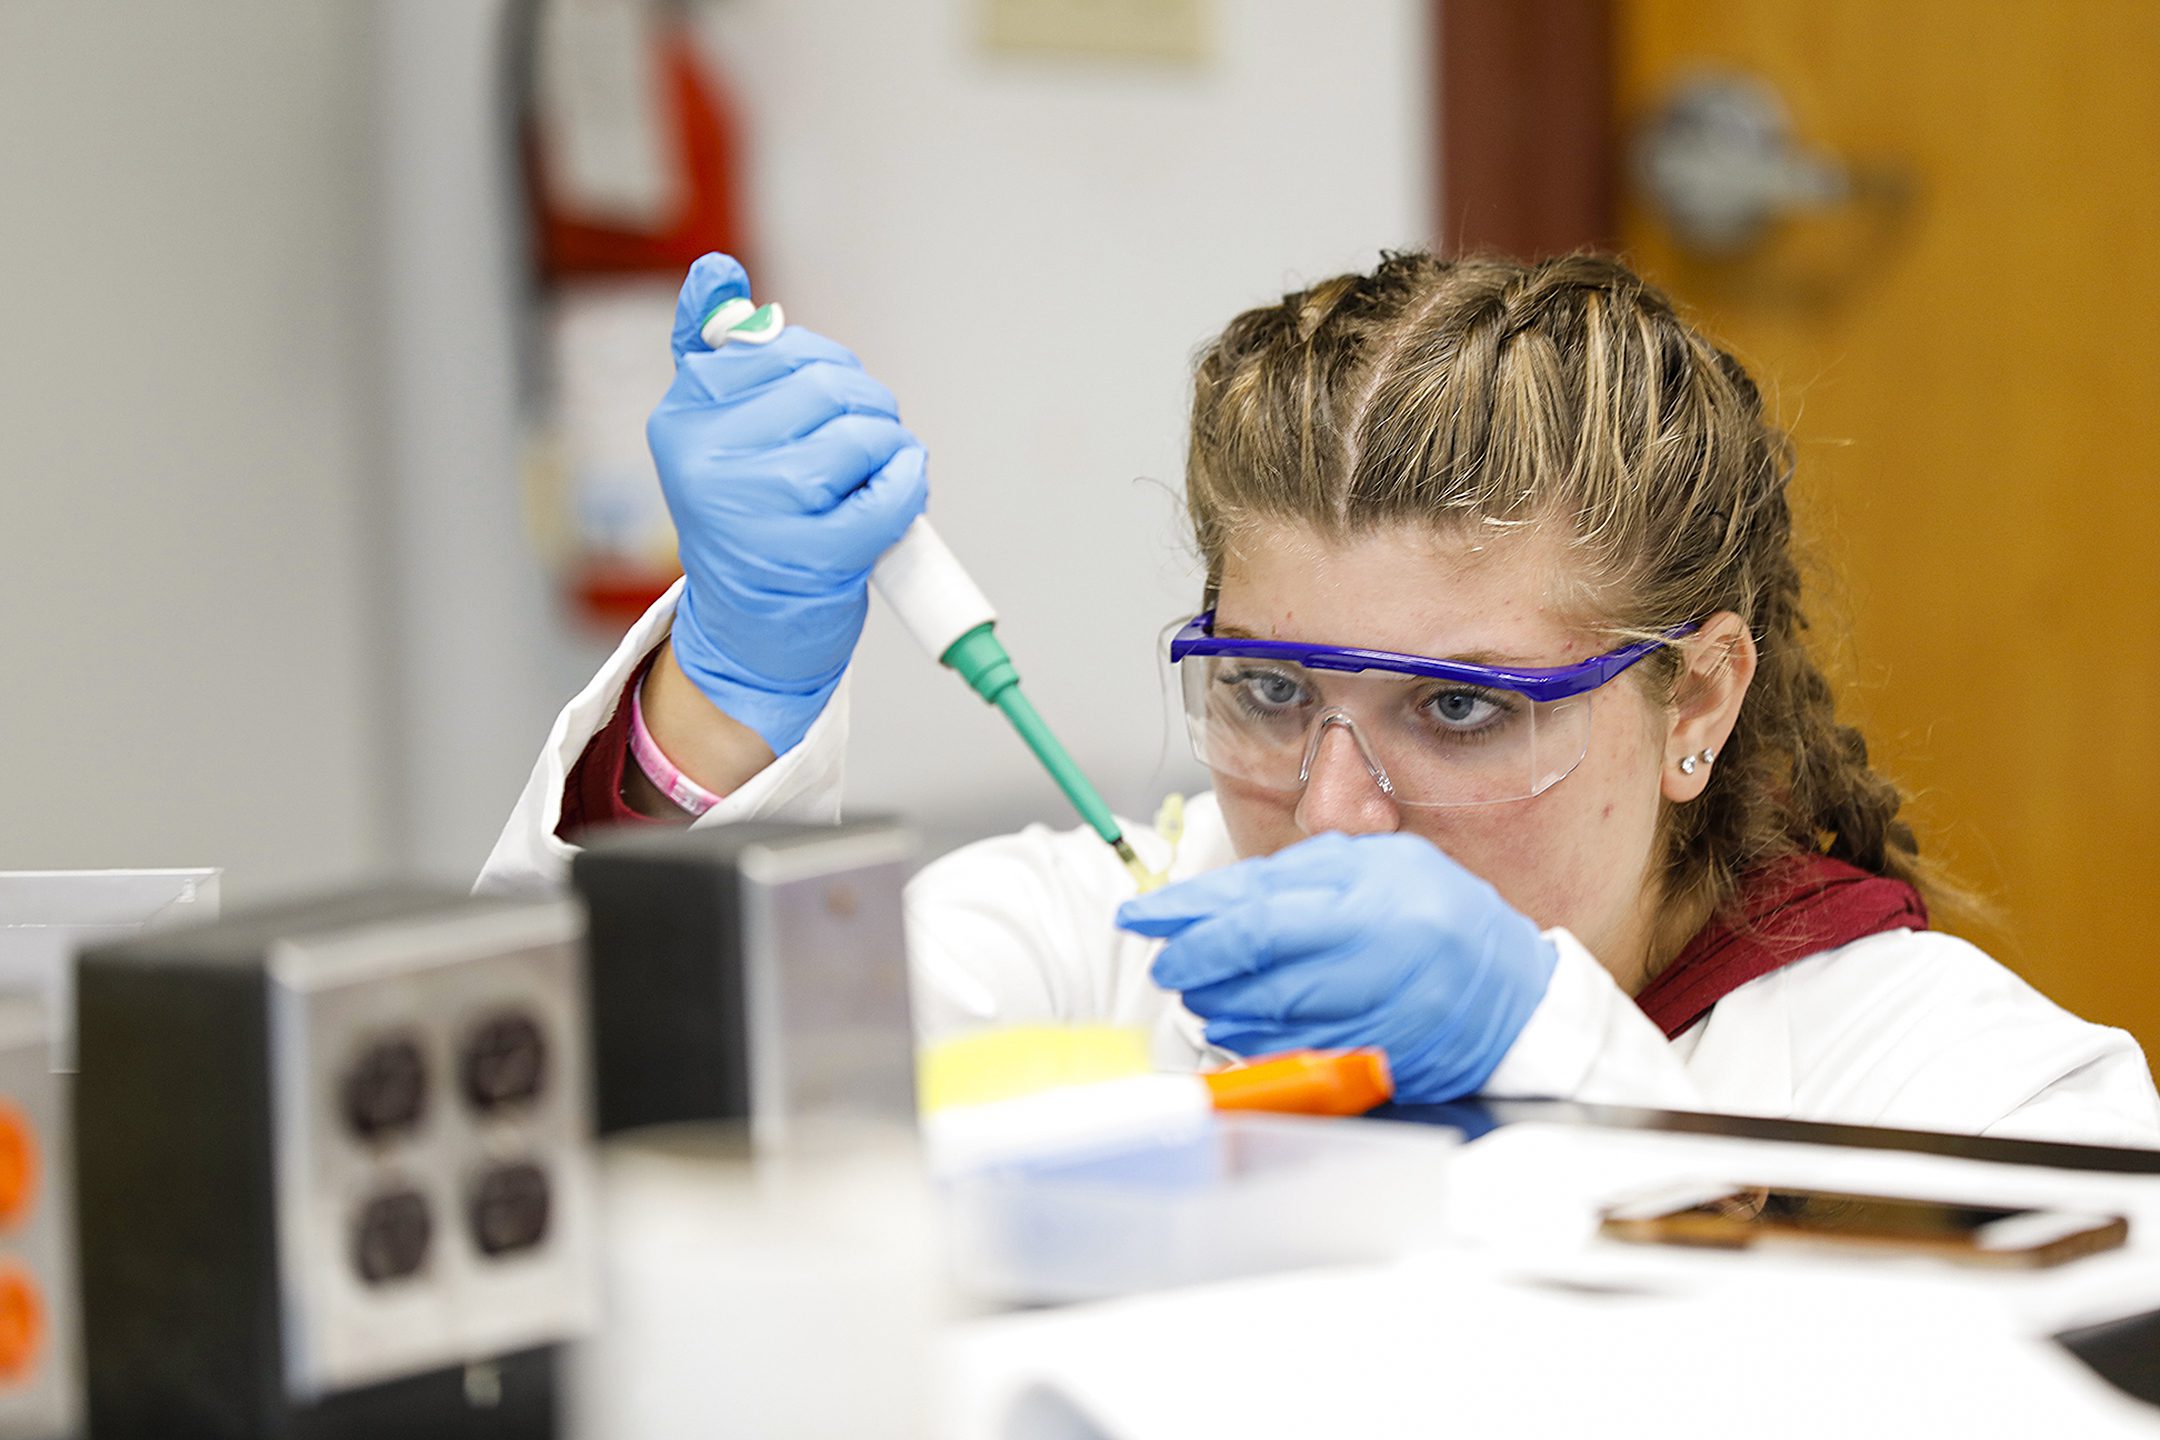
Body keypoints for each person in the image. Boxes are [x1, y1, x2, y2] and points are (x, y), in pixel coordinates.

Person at [480, 250, 2160, 1146]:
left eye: (1461, 711)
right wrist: (721, 704)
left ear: (1696, 704)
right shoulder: (1108, 938)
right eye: (1273, 689)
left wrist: (1538, 1057)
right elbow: (565, 1138)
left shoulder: (1962, 1091)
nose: (1336, 809)